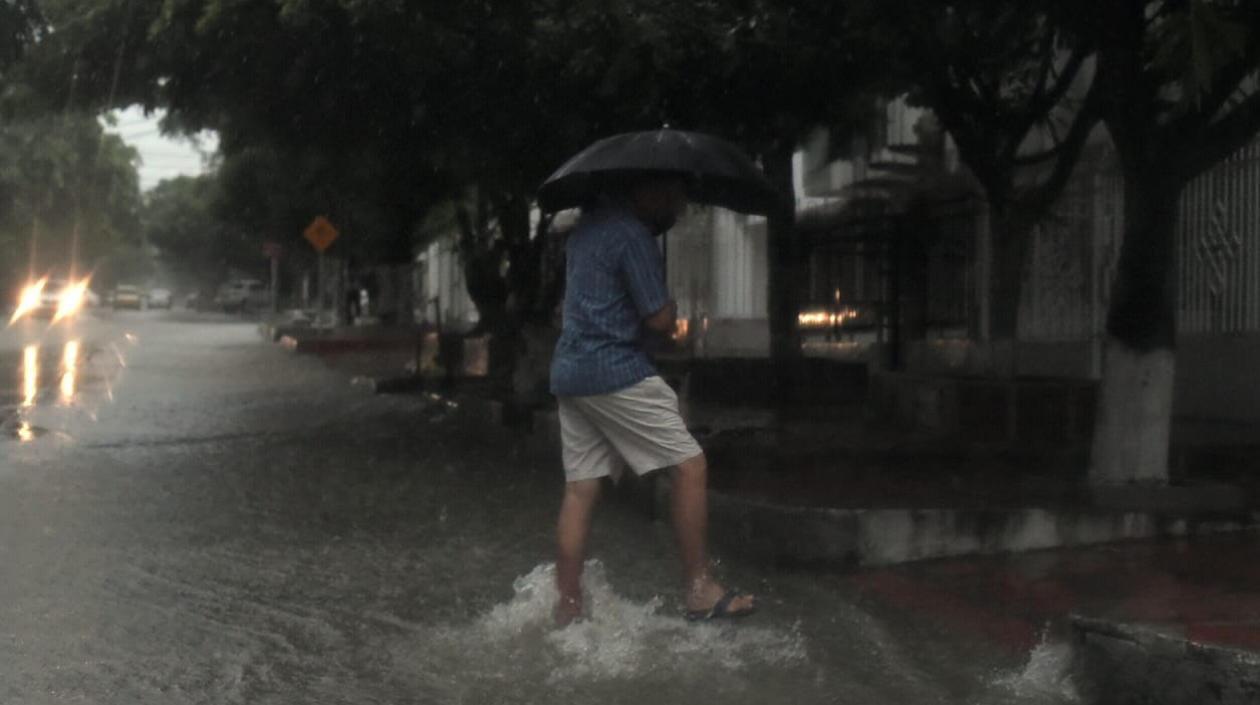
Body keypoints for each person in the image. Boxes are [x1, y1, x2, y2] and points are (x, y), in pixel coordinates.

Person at [549, 174, 757, 626]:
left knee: (581, 489)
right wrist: (672, 309)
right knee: (689, 465)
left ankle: (567, 606)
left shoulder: (585, 231)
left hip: (571, 371)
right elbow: (659, 317)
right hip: (615, 371)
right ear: (646, 189)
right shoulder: (631, 234)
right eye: (675, 194)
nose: (680, 206)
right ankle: (700, 589)